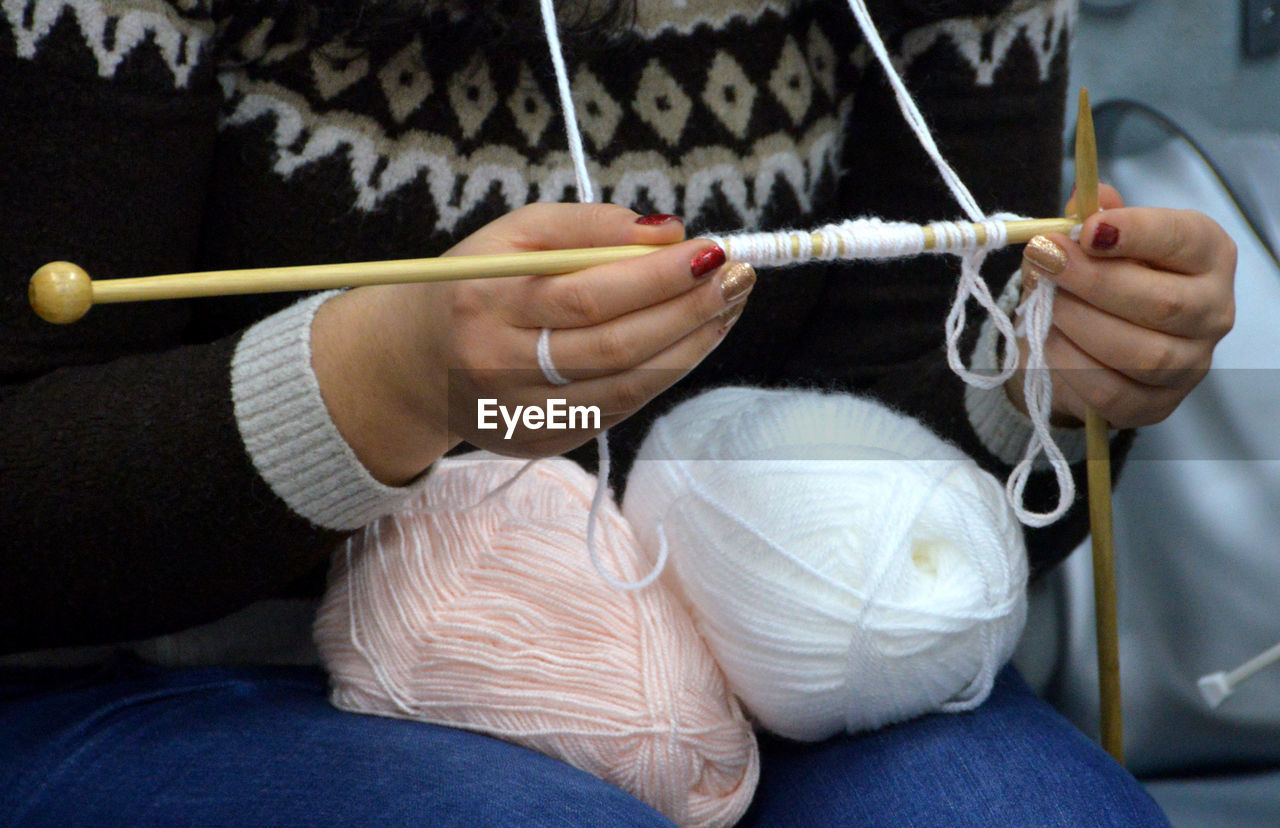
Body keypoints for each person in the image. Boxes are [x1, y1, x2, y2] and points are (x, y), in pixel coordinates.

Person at [0, 0, 1235, 824]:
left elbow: (880, 517)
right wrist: (386, 387)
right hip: (159, 658)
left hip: (748, 662)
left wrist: (1043, 389)